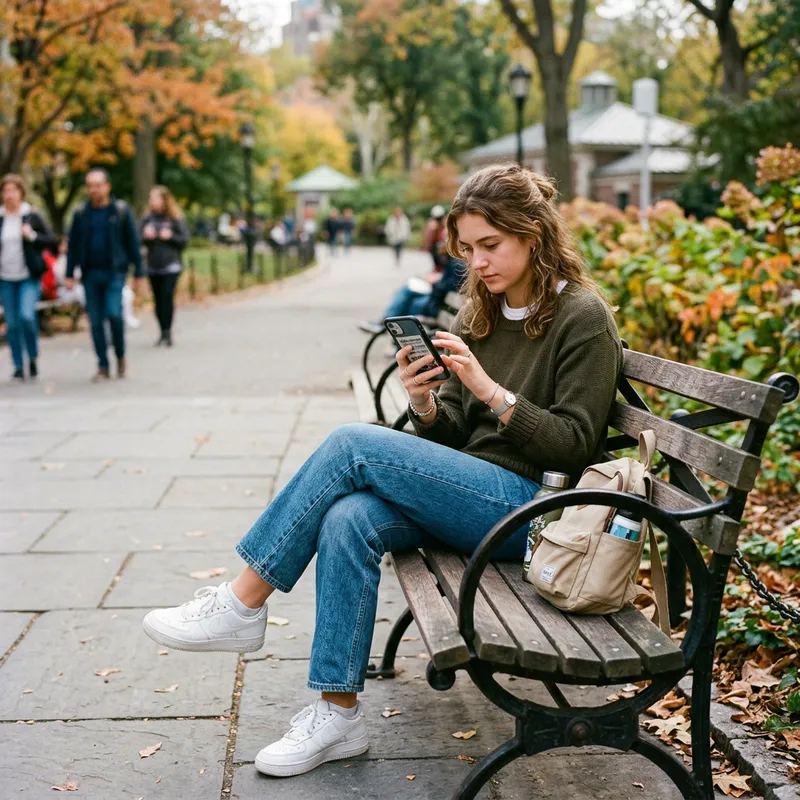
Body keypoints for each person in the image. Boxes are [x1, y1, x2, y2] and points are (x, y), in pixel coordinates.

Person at [141, 163, 622, 781]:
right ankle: (337, 713)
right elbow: (449, 428)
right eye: (468, 249)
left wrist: (490, 390)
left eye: (491, 246)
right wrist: (424, 401)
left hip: (533, 514)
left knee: (351, 446)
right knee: (347, 517)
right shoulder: (481, 308)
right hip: (471, 496)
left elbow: (574, 445)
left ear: (534, 234)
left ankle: (243, 603)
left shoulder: (582, 316)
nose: (477, 263)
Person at [66, 168, 143, 381]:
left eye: (98, 185)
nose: (94, 190)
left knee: (114, 314)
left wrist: (139, 271)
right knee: (96, 322)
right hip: (90, 273)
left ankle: (120, 354)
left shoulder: (120, 211)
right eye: (90, 185)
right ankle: (103, 364)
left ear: (107, 186)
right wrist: (69, 273)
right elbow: (73, 245)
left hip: (114, 272)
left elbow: (133, 242)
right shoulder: (81, 214)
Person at [0, 174, 58, 381]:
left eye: (13, 190)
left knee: (26, 317)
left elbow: (52, 241)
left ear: (21, 193)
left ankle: (32, 357)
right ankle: (17, 365)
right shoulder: (1, 218)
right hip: (5, 278)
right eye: (6, 191)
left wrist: (32, 235)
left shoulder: (32, 216)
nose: (9, 195)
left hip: (28, 276)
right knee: (12, 323)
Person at [357, 253, 466, 334]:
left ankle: (385, 327)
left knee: (408, 300)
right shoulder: (455, 259)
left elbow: (449, 285)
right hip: (438, 301)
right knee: (407, 291)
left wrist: (434, 282)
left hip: (437, 305)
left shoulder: (458, 262)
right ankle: (385, 327)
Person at [140, 185, 189, 347]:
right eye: (151, 198)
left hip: (171, 265)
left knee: (167, 297)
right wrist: (146, 236)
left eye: (155, 198)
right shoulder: (147, 219)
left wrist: (170, 236)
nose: (152, 201)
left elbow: (184, 241)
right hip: (153, 265)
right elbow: (137, 240)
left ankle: (167, 332)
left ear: (164, 199)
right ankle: (162, 331)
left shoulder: (175, 218)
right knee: (158, 300)